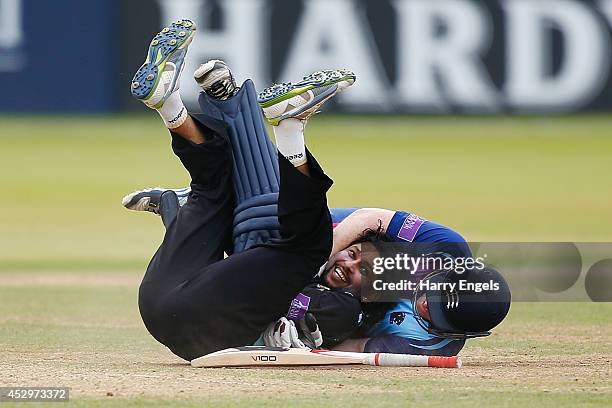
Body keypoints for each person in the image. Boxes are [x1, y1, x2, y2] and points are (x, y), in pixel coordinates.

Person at [126, 19, 511, 359]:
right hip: (175, 310)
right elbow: (369, 219)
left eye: (435, 311)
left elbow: (347, 350)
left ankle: (220, 134)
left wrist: (299, 342)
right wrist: (319, 260)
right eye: (431, 296)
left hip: (205, 312)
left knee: (229, 202)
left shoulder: (412, 336)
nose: (424, 306)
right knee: (236, 202)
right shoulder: (445, 250)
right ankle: (172, 106)